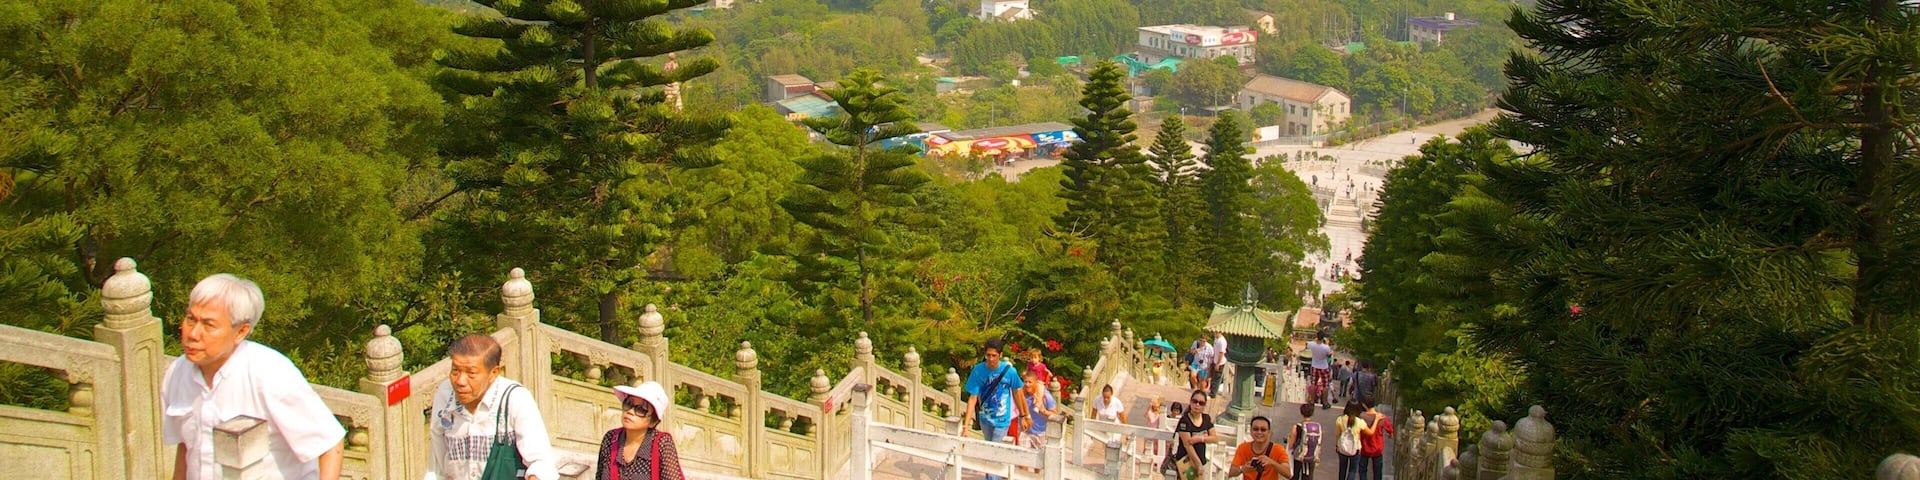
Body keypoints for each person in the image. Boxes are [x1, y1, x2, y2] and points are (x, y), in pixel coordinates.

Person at [163, 274, 346, 480]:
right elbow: (187, 448)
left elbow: (329, 443)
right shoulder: (177, 373)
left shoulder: (269, 373)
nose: (193, 333)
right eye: (191, 319)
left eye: (208, 325)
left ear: (240, 332)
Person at [426, 334, 558, 480]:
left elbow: (541, 463)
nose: (460, 381)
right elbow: (437, 465)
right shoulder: (445, 394)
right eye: (455, 371)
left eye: (471, 373)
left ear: (493, 373)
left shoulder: (514, 398)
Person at [964, 338, 1028, 480]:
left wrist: (1023, 416)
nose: (991, 359)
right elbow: (973, 398)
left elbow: (1017, 393)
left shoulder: (1009, 371)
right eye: (988, 355)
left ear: (1000, 355)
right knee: (990, 451)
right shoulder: (978, 370)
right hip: (985, 418)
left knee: (994, 452)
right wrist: (966, 426)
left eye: (994, 355)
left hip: (1002, 419)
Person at [595, 382, 683, 480]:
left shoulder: (662, 443)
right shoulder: (610, 439)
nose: (630, 411)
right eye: (628, 403)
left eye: (641, 409)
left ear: (653, 422)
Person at [1163, 390, 1218, 478]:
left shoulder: (1206, 419)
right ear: (1190, 402)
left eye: (1201, 403)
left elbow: (1215, 438)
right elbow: (1187, 445)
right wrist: (1198, 464)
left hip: (1201, 460)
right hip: (1186, 462)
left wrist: (1200, 439)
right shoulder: (1184, 421)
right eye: (1195, 401)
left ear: (1204, 405)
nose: (1197, 405)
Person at [1229, 416, 1291, 480]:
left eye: (1263, 430)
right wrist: (1242, 469)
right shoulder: (1243, 448)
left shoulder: (1278, 449)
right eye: (1255, 429)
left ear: (1269, 432)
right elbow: (1231, 472)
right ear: (1251, 431)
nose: (1259, 432)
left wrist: (1272, 462)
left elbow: (1288, 474)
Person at [1333, 401, 1375, 480]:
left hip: (1342, 448)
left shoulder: (1340, 419)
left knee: (1342, 469)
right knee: (1352, 470)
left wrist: (1336, 445)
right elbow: (1370, 432)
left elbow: (1337, 434)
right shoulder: (1359, 422)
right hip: (1355, 449)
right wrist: (1376, 420)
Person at [1019, 369, 1058, 450]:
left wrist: (1042, 410)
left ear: (1036, 382)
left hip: (1042, 433)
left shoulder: (1046, 396)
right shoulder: (1022, 395)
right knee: (1022, 457)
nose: (1027, 385)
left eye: (1030, 382)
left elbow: (1054, 415)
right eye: (1025, 382)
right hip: (1025, 432)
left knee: (1042, 459)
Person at [1358, 399, 1395, 480]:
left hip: (1365, 447)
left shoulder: (1362, 417)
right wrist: (1390, 434)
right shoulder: (1382, 417)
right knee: (1377, 471)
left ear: (1364, 405)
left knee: (1363, 470)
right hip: (1377, 447)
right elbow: (1390, 430)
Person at [1288, 403, 1323, 480]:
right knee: (1308, 476)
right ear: (1312, 413)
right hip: (1311, 455)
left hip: (1299, 456)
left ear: (1301, 413)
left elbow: (1291, 445)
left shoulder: (1297, 427)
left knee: (1295, 474)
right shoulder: (1317, 427)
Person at [1308, 333, 1335, 409]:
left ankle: (1312, 401)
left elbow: (1308, 344)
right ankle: (1325, 403)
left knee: (1313, 383)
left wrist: (1315, 340)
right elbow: (1329, 355)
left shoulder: (1312, 344)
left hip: (1314, 365)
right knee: (1325, 385)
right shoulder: (1326, 347)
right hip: (1323, 366)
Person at [1210, 333, 1229, 398]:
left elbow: (1221, 353)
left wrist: (1218, 363)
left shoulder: (1222, 341)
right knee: (1213, 377)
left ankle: (1213, 394)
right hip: (1215, 360)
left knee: (1217, 378)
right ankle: (1211, 390)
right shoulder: (1216, 339)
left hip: (1220, 362)